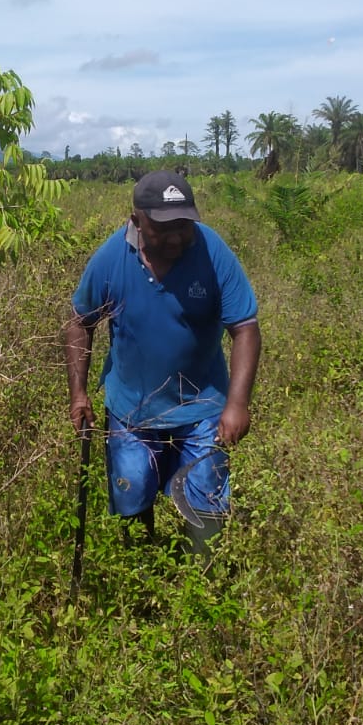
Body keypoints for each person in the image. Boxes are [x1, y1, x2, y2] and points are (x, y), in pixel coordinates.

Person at [65, 169, 261, 555]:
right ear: (136, 221)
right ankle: (140, 577)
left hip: (203, 406)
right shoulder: (111, 259)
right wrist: (79, 393)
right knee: (132, 495)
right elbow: (79, 323)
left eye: (184, 226)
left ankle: (203, 587)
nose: (176, 237)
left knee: (208, 503)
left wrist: (237, 404)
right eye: (163, 229)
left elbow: (245, 327)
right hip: (131, 410)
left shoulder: (211, 250)